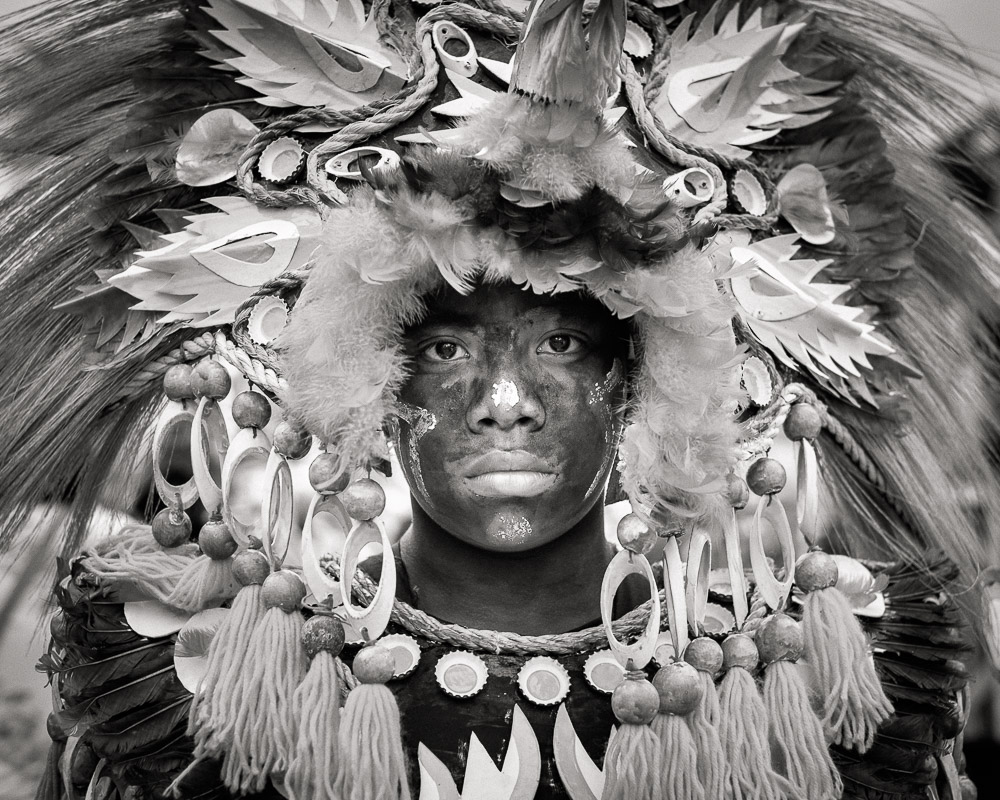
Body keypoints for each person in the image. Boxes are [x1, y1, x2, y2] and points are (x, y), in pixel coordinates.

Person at [2, 0, 996, 798]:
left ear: (644, 381)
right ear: (371, 385)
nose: (504, 398)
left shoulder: (824, 681)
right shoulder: (198, 672)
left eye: (563, 339)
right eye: (443, 346)